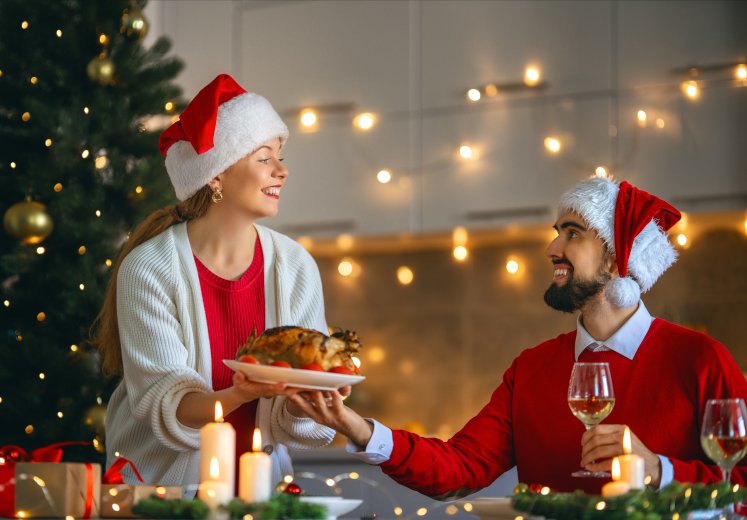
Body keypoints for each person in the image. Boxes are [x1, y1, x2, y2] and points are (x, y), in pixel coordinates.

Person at [289, 176, 747, 496]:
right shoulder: (531, 369)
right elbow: (459, 469)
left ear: (616, 257)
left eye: (573, 233)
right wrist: (356, 428)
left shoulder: (701, 359)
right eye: (555, 233)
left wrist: (660, 472)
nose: (552, 248)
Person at [94, 74, 335, 491]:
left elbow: (295, 420)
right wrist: (242, 393)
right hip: (159, 495)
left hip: (260, 494)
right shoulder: (149, 268)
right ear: (216, 175)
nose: (282, 170)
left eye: (280, 156)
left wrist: (316, 393)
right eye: (264, 158)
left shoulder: (295, 265)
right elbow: (167, 405)